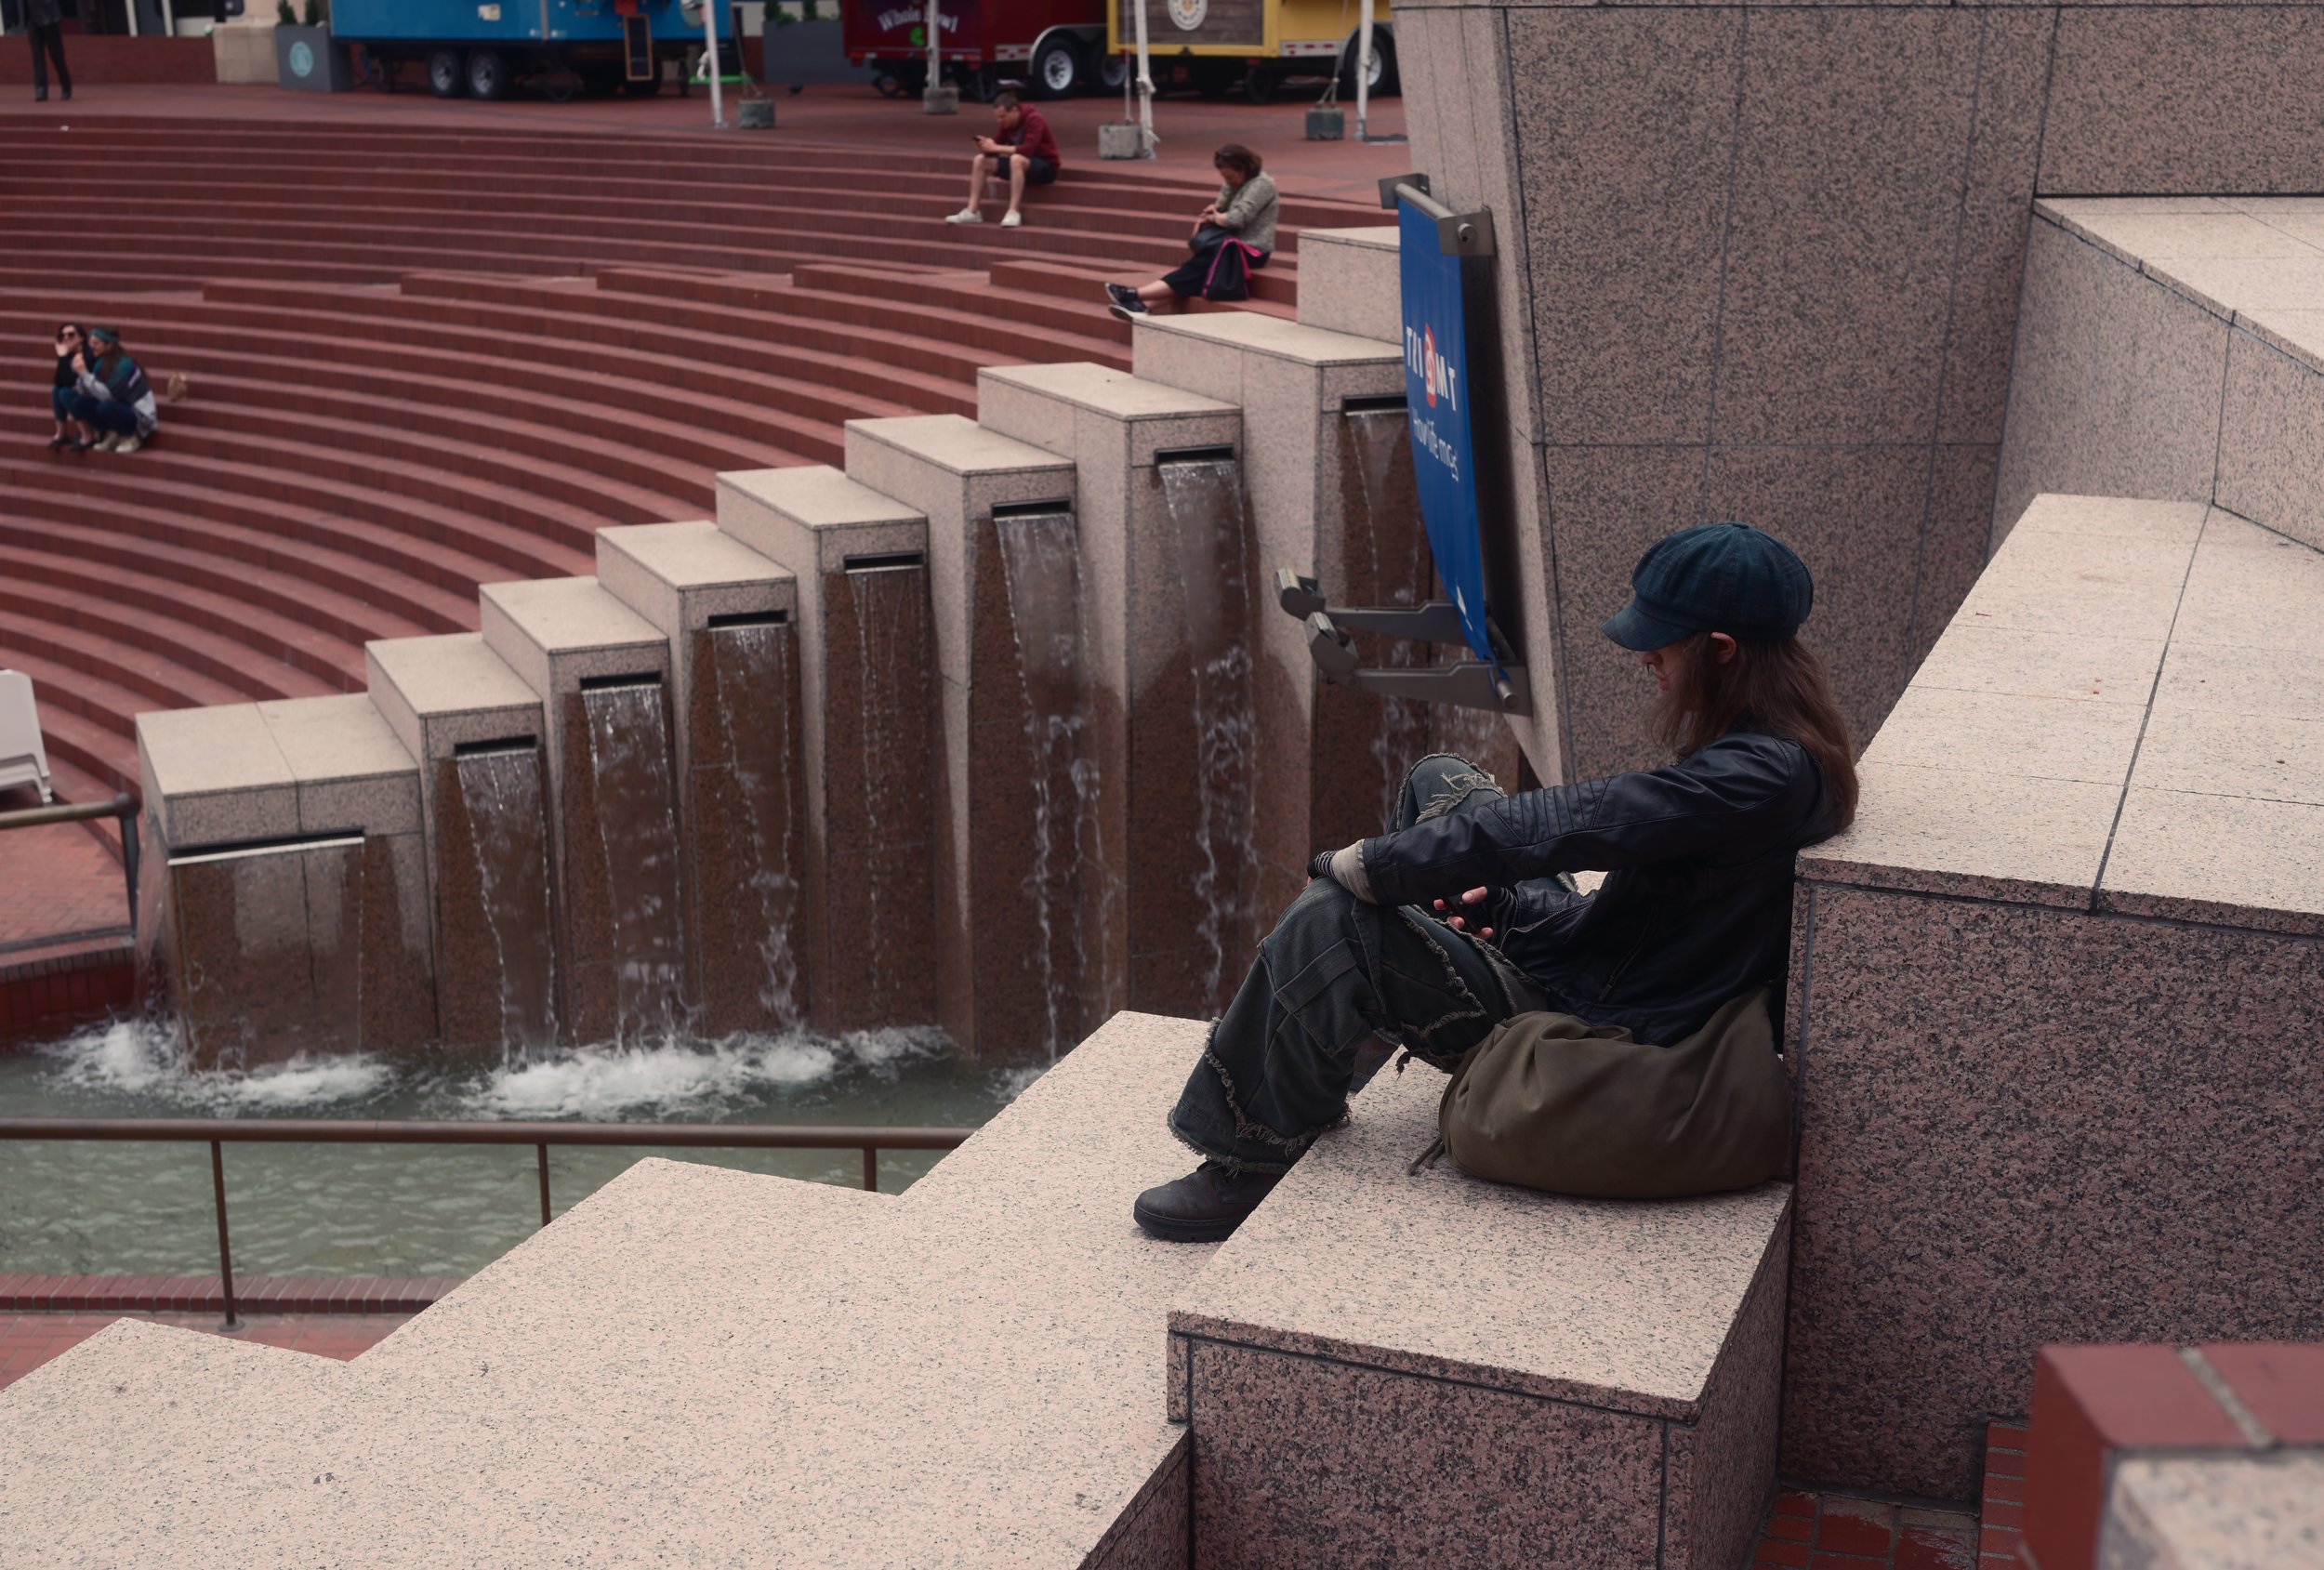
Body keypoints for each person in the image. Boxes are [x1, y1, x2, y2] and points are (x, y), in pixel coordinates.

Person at [1131, 522, 1860, 1241]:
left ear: (1723, 651)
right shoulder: (1785, 742)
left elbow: (1581, 820)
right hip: (1616, 961)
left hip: (1611, 1025)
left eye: (1660, 642)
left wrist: (1385, 865)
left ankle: (1251, 1149)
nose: (1645, 658)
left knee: (1334, 914)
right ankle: (1366, 1003)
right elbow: (1644, 915)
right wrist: (1514, 913)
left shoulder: (1757, 777)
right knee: (1438, 778)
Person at [1107, 145, 1277, 322]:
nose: (1228, 181)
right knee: (1198, 269)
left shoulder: (1262, 184)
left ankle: (1135, 295)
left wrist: (1215, 217)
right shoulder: (1232, 183)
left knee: (1200, 267)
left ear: (1243, 168)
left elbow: (1238, 218)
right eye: (1224, 177)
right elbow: (1222, 209)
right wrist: (1212, 212)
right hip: (1227, 246)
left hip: (1251, 250)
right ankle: (1143, 306)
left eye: (1230, 177)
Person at [944, 93, 1061, 230]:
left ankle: (1013, 211)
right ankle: (972, 210)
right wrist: (985, 146)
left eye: (1002, 116)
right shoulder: (1007, 123)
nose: (1000, 121)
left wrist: (996, 147)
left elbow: (1027, 149)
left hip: (1045, 167)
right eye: (998, 117)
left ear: (1014, 111)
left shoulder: (1034, 119)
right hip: (1021, 165)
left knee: (1016, 159)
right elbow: (997, 147)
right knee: (980, 160)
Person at [66, 326, 159, 455]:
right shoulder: (100, 363)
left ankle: (130, 437)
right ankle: (111, 433)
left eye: (96, 343)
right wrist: (80, 376)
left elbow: (107, 397)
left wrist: (85, 374)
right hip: (118, 406)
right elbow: (89, 392)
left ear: (109, 345)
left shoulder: (125, 366)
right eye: (90, 343)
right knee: (78, 403)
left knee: (104, 407)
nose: (92, 347)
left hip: (139, 416)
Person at [46, 323, 83, 451]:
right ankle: (60, 434)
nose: (66, 338)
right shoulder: (68, 355)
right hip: (80, 393)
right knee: (57, 390)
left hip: (93, 398)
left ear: (81, 338)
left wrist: (62, 357)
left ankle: (87, 435)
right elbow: (59, 381)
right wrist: (63, 358)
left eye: (71, 335)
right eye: (62, 335)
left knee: (65, 393)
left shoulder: (86, 355)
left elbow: (69, 382)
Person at [26, 0, 71, 104]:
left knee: (56, 55)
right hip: (32, 16)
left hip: (49, 15)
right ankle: (41, 89)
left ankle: (66, 85)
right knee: (37, 56)